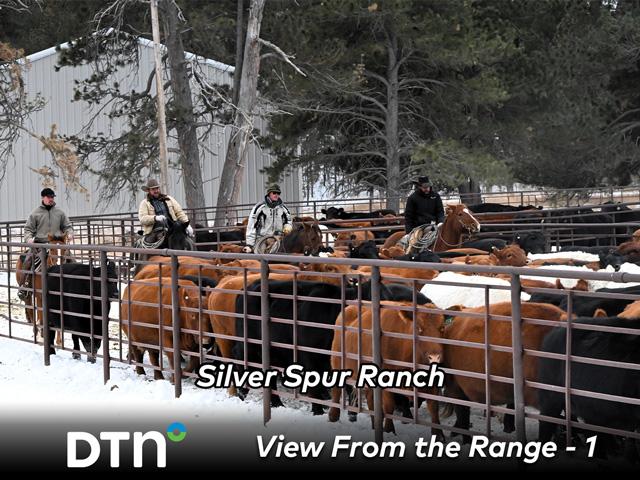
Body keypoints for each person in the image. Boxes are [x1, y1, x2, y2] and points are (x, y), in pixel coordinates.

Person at [19, 188, 74, 300]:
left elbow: (67, 226)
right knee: (28, 261)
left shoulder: (60, 212)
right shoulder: (35, 213)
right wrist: (29, 239)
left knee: (73, 261)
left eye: (52, 197)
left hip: (58, 243)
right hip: (40, 244)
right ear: (43, 197)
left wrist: (70, 233)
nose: (51, 199)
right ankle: (23, 287)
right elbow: (28, 229)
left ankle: (79, 285)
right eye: (49, 197)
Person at [138, 178, 193, 244]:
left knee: (186, 240)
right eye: (153, 189)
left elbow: (179, 212)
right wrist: (155, 218)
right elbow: (142, 219)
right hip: (155, 230)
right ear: (148, 191)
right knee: (151, 242)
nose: (156, 191)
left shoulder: (169, 199)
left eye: (157, 188)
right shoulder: (145, 203)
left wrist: (187, 224)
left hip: (172, 226)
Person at [243, 184, 293, 253]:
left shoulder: (283, 209)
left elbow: (288, 221)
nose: (276, 195)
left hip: (277, 238)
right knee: (260, 257)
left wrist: (287, 227)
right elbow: (251, 226)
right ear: (269, 194)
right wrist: (249, 244)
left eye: (278, 193)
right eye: (274, 193)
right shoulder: (259, 208)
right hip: (261, 238)